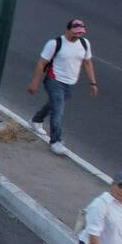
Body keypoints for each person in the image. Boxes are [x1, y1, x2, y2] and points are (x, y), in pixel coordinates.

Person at [28, 19, 96, 156]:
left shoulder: (84, 43)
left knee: (54, 105)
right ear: (68, 29)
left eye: (80, 32)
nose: (77, 35)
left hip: (70, 83)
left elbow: (87, 63)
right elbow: (42, 63)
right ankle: (55, 141)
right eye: (75, 32)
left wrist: (93, 83)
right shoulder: (55, 44)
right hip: (54, 81)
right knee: (58, 111)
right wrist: (34, 83)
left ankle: (36, 120)